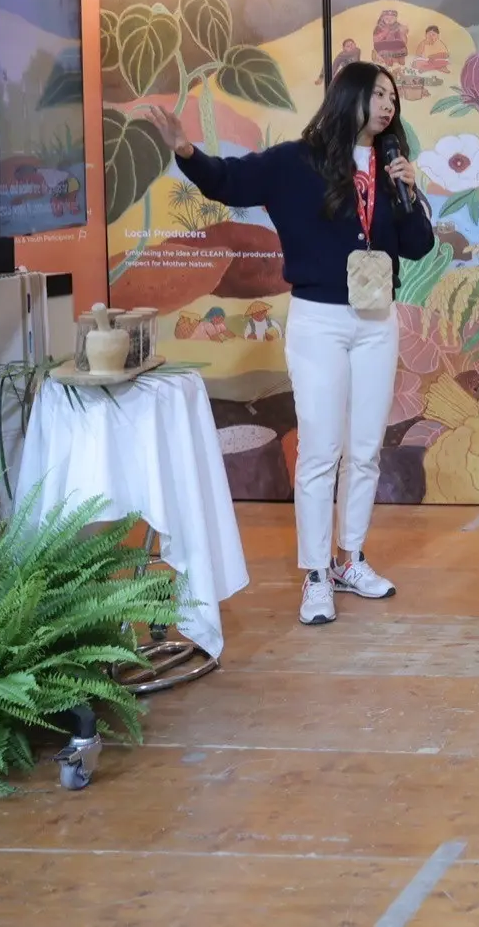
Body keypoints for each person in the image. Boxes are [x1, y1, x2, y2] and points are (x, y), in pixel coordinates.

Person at [150, 62, 435, 626]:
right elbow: (228, 180)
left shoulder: (388, 167)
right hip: (319, 321)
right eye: (377, 94)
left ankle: (351, 559)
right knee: (320, 450)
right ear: (348, 96)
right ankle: (316, 574)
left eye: (393, 97)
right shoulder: (295, 160)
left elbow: (419, 246)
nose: (387, 105)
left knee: (364, 450)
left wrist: (409, 189)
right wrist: (186, 150)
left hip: (378, 321)